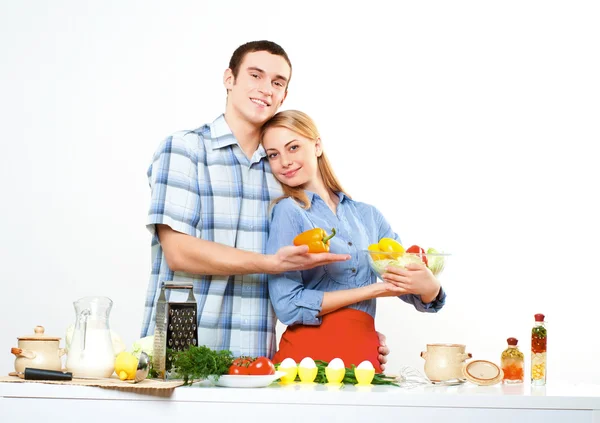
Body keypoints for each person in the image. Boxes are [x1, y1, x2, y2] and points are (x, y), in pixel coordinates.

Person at [140, 40, 391, 366]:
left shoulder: (285, 170)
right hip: (181, 347)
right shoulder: (185, 149)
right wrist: (270, 263)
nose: (265, 89)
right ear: (229, 79)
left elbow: (313, 276)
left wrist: (353, 329)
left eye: (277, 82)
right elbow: (177, 251)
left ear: (284, 95)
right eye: (255, 75)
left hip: (255, 359)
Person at [262, 110, 446, 372]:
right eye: (273, 154)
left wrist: (431, 286)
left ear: (317, 146)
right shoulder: (288, 211)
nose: (284, 161)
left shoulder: (368, 216)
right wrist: (373, 290)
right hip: (306, 361)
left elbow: (412, 290)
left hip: (364, 359)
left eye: (293, 147)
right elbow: (288, 306)